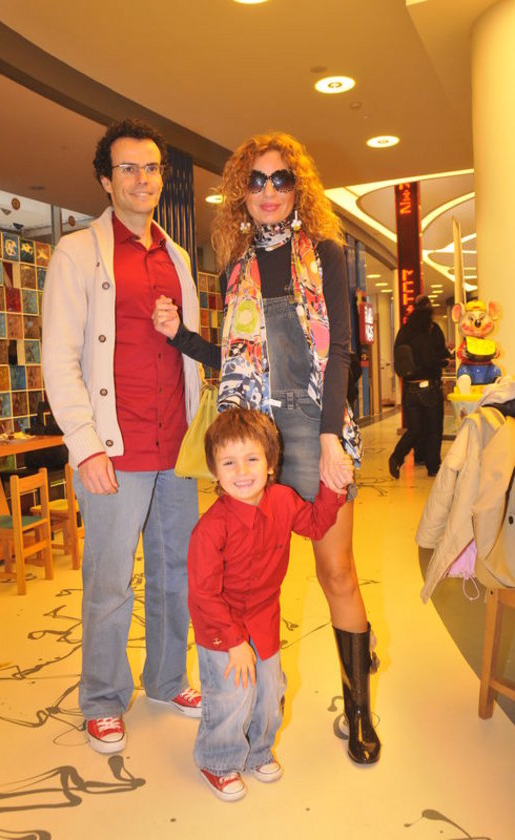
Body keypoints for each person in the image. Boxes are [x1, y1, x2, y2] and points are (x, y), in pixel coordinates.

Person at [153, 131, 381, 765]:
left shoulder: (325, 253)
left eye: (281, 179)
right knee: (249, 581)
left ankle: (359, 710)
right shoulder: (236, 269)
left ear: (297, 189)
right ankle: (249, 712)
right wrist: (180, 337)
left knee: (337, 572)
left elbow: (341, 350)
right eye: (257, 181)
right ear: (242, 194)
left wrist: (332, 436)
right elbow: (234, 357)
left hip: (314, 427)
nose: (269, 191)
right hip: (252, 437)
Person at [42, 118, 202, 755]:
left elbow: (188, 350)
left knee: (175, 573)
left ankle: (166, 679)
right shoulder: (77, 253)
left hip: (177, 446)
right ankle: (104, 699)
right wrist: (84, 445)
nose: (143, 179)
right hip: (114, 447)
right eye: (128, 168)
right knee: (110, 581)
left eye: (152, 167)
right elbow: (59, 358)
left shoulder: (178, 256)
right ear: (106, 182)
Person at [189, 408, 346, 801]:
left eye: (252, 459)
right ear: (214, 471)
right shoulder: (210, 528)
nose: (242, 471)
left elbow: (315, 524)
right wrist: (234, 642)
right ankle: (218, 760)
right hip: (220, 625)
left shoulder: (283, 500)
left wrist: (333, 488)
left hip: (264, 617)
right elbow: (204, 594)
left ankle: (259, 750)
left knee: (270, 691)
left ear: (271, 463)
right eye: (228, 462)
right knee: (233, 694)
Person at [389, 294, 450, 479]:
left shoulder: (404, 331)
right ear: (429, 309)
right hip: (429, 386)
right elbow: (438, 357)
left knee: (415, 429)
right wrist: (445, 361)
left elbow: (399, 359)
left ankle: (396, 457)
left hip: (409, 389)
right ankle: (433, 466)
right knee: (434, 428)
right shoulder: (432, 329)